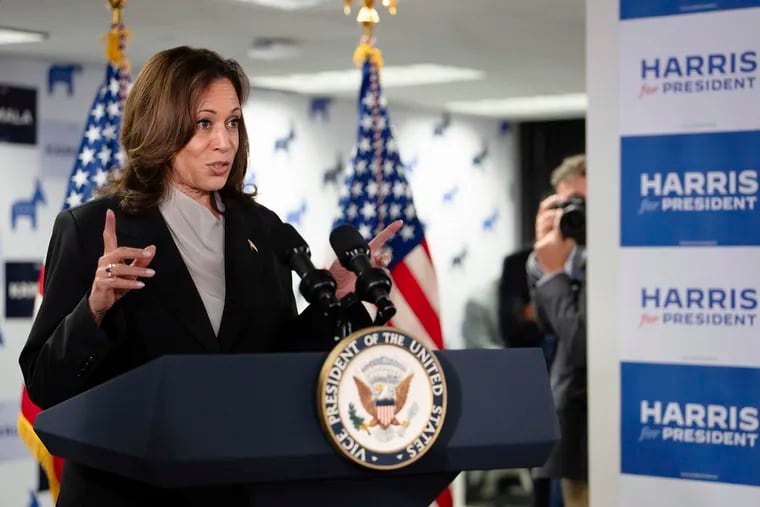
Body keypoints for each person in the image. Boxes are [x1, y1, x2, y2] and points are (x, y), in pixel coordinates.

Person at [18, 46, 400, 507]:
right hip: (124, 493)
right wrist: (94, 309)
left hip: (236, 488)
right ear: (161, 126)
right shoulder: (91, 228)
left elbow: (273, 359)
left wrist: (337, 295)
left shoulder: (263, 229)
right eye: (204, 123)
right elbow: (45, 385)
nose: (225, 141)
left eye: (233, 122)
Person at [526, 154, 587, 507]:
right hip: (570, 425)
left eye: (581, 204)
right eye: (564, 205)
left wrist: (554, 275)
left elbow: (584, 345)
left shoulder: (620, 257)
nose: (573, 214)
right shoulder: (568, 255)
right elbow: (551, 328)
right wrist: (547, 266)